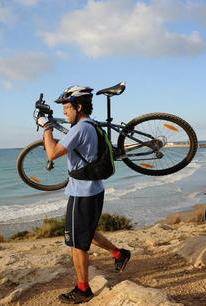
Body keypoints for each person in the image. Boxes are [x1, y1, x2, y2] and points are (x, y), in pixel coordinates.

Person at [38, 86, 131, 304]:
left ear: (79, 107)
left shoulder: (80, 129)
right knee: (85, 232)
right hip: (93, 190)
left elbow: (52, 153)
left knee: (77, 244)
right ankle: (119, 254)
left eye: (67, 107)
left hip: (82, 194)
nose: (65, 112)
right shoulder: (91, 125)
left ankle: (83, 289)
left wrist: (47, 127)